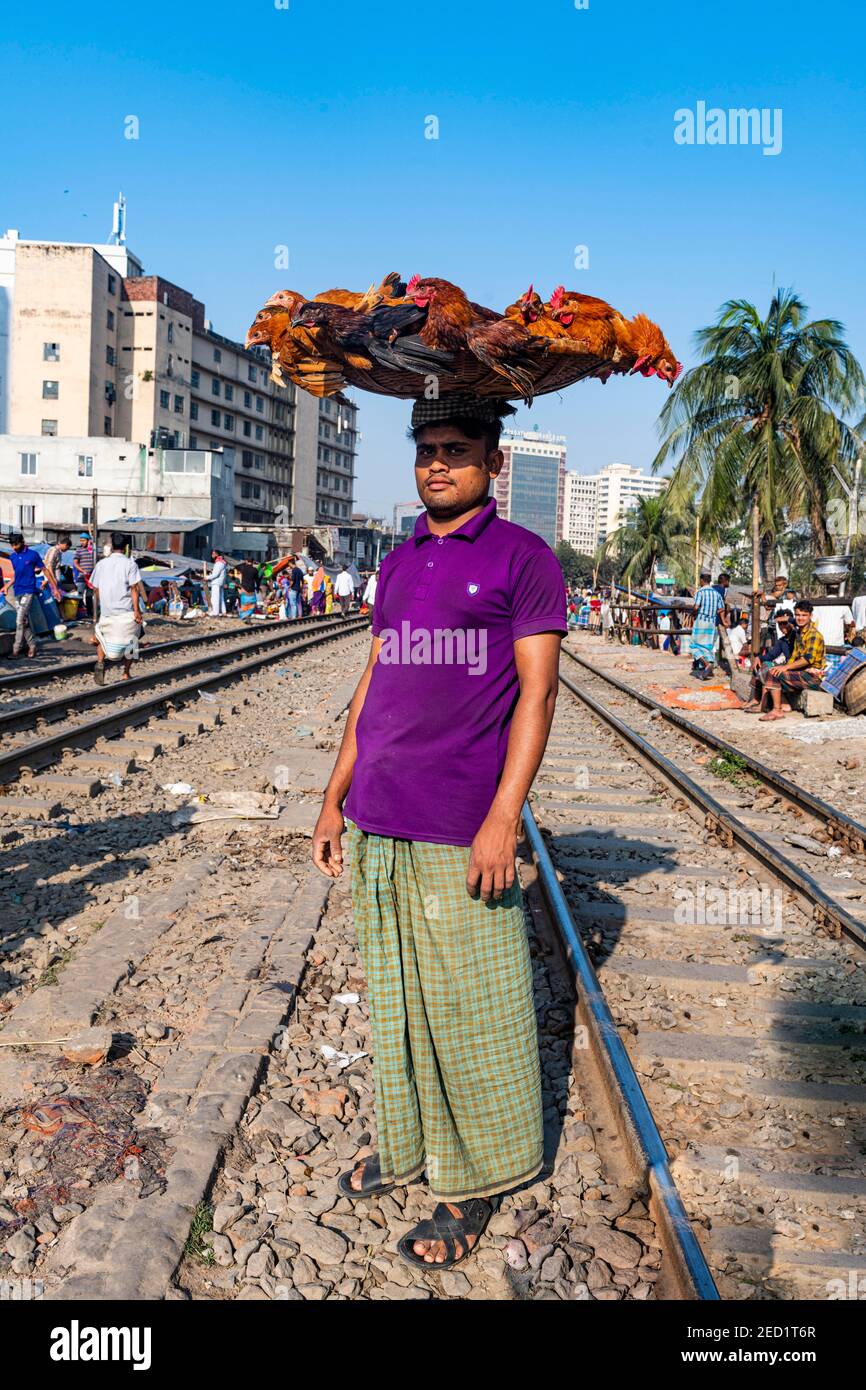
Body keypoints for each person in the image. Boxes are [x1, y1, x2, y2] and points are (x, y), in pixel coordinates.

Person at [312, 392, 567, 1271]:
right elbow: (373, 681)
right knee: (400, 1001)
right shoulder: (400, 559)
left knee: (473, 1011)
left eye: (456, 450)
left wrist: (503, 818)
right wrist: (333, 793)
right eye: (426, 450)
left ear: (493, 461)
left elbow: (538, 695)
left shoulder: (523, 559)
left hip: (461, 824)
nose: (437, 465)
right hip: (381, 816)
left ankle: (475, 1179)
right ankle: (412, 1144)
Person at [90, 533, 145, 684]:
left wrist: (102, 604)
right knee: (133, 640)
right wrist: (137, 611)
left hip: (107, 610)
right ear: (126, 547)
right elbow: (135, 588)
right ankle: (126, 672)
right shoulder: (130, 564)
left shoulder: (101, 564)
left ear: (112, 547)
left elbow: (95, 588)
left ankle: (101, 662)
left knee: (103, 637)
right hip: (126, 610)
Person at [758, 600, 826, 721]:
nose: (800, 618)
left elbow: (807, 659)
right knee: (773, 669)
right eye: (798, 615)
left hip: (813, 677)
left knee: (774, 674)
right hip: (803, 672)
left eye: (804, 615)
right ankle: (778, 705)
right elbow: (790, 621)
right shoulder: (800, 631)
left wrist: (785, 667)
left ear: (810, 616)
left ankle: (777, 710)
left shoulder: (813, 635)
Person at [1, 533, 60, 658]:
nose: (14, 547)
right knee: (23, 621)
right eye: (12, 545)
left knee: (19, 620)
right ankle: (32, 646)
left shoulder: (33, 555)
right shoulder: (13, 557)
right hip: (17, 591)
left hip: (28, 591)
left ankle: (16, 650)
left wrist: (55, 588)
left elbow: (45, 570)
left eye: (16, 544)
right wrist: (7, 586)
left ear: (22, 542)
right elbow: (17, 575)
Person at [741, 611, 794, 713]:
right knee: (762, 665)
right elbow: (772, 654)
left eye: (785, 623)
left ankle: (765, 704)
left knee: (769, 670)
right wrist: (759, 658)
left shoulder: (797, 637)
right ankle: (756, 699)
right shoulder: (782, 641)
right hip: (787, 667)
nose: (782, 626)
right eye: (780, 624)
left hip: (795, 668)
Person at [690, 571, 724, 679]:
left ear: (701, 580)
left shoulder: (700, 592)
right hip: (711, 623)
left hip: (701, 620)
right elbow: (721, 608)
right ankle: (709, 666)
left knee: (694, 646)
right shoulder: (717, 594)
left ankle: (706, 664)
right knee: (707, 647)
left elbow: (696, 607)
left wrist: (693, 614)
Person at [73, 532, 96, 619]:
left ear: (88, 541)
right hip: (82, 577)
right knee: (80, 594)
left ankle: (90, 613)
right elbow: (75, 563)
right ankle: (78, 613)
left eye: (84, 540)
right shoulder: (79, 550)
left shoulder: (93, 550)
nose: (82, 542)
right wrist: (82, 571)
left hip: (91, 577)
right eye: (81, 540)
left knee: (89, 596)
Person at [43, 534, 72, 598]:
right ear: (65, 545)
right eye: (67, 548)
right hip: (49, 573)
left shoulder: (59, 552)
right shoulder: (54, 550)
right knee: (52, 590)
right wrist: (53, 578)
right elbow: (49, 565)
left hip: (54, 573)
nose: (66, 550)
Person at [207, 550, 227, 615]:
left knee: (215, 598)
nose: (212, 555)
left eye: (213, 553)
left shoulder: (219, 563)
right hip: (220, 582)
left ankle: (215, 612)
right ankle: (223, 611)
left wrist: (206, 577)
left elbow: (215, 574)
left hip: (216, 582)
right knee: (221, 598)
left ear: (217, 554)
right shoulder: (221, 562)